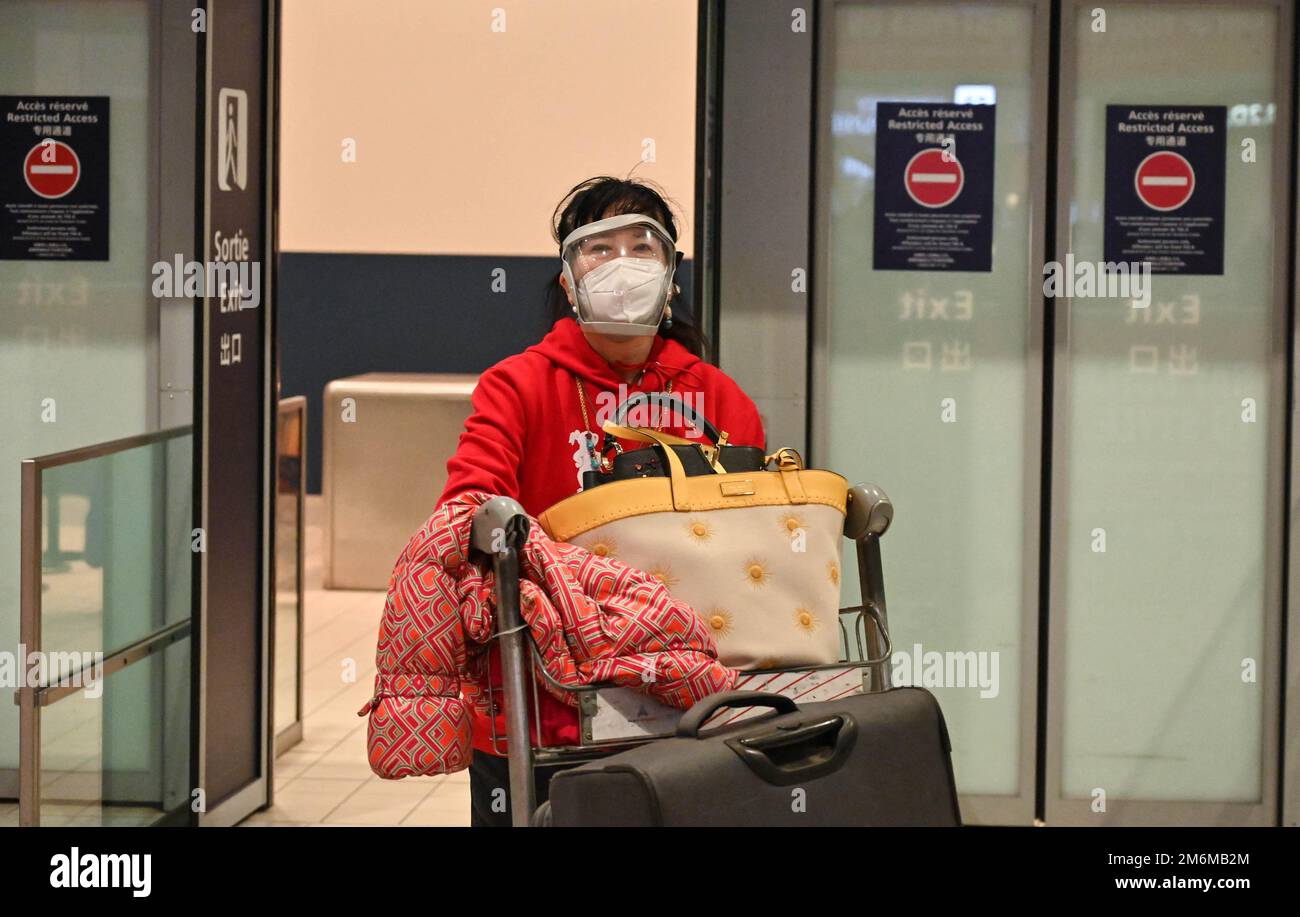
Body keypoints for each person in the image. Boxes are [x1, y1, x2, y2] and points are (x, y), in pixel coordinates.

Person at [438, 175, 766, 826]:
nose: (621, 265)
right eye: (599, 248)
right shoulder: (519, 386)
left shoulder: (718, 400)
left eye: (642, 246)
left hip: (687, 708)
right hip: (543, 703)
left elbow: (756, 539)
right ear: (568, 279)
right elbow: (467, 501)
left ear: (672, 275)